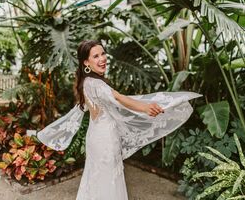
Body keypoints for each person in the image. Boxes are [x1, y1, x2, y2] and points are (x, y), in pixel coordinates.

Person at [32, 40, 202, 200]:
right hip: (104, 139)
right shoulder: (95, 84)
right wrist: (144, 107)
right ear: (86, 63)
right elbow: (119, 98)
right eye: (96, 56)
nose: (102, 59)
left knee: (98, 178)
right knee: (107, 179)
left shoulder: (88, 82)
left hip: (97, 136)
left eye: (103, 54)